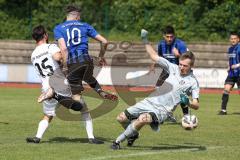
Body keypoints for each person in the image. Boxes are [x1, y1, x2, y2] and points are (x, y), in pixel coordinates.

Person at [110, 29, 200, 150]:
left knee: (142, 119)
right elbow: (153, 56)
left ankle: (117, 142)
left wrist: (187, 102)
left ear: (191, 66)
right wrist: (145, 40)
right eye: (180, 64)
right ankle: (133, 134)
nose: (181, 67)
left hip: (162, 111)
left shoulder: (193, 82)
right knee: (121, 118)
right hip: (149, 101)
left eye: (185, 66)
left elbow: (196, 104)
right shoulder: (173, 68)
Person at [26, 25, 103, 144]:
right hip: (60, 82)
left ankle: (37, 137)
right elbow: (58, 57)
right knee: (83, 108)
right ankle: (91, 138)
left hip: (46, 85)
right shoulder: (51, 46)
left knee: (48, 115)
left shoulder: (33, 55)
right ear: (45, 35)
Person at [53, 5, 117, 101]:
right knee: (87, 77)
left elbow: (64, 49)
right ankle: (100, 91)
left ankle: (83, 113)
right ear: (77, 16)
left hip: (73, 62)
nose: (80, 18)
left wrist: (65, 66)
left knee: (76, 95)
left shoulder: (59, 28)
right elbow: (104, 41)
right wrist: (100, 57)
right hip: (87, 61)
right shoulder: (85, 26)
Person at [151, 25, 189, 116]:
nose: (169, 39)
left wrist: (178, 55)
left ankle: (186, 116)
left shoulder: (180, 44)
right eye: (167, 37)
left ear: (174, 36)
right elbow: (160, 56)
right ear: (164, 36)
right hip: (166, 71)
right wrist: (154, 64)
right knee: (157, 90)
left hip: (178, 72)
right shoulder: (161, 44)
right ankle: (162, 114)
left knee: (181, 93)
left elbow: (187, 60)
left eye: (171, 37)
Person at [219, 32, 240, 115]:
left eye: (235, 38)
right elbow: (231, 60)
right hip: (232, 74)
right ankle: (223, 110)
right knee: (226, 89)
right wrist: (229, 66)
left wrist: (237, 65)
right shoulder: (230, 49)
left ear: (238, 39)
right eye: (231, 39)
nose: (233, 40)